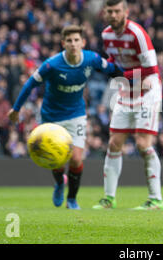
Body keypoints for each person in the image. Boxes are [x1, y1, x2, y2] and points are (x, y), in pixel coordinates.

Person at [8, 25, 122, 210]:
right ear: (63, 43)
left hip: (76, 114)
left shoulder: (91, 59)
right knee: (56, 159)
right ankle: (60, 183)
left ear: (83, 42)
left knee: (76, 159)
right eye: (69, 41)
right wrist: (16, 109)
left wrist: (135, 74)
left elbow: (111, 69)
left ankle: (72, 199)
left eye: (77, 40)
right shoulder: (51, 65)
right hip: (51, 116)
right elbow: (30, 84)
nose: (73, 44)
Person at [92, 0, 163, 210]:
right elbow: (115, 60)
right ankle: (108, 198)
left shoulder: (137, 33)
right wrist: (107, 66)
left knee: (143, 145)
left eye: (117, 11)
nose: (113, 15)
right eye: (109, 11)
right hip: (125, 93)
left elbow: (151, 68)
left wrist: (121, 73)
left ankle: (156, 199)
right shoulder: (106, 35)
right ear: (104, 13)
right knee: (114, 143)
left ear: (126, 12)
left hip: (147, 92)